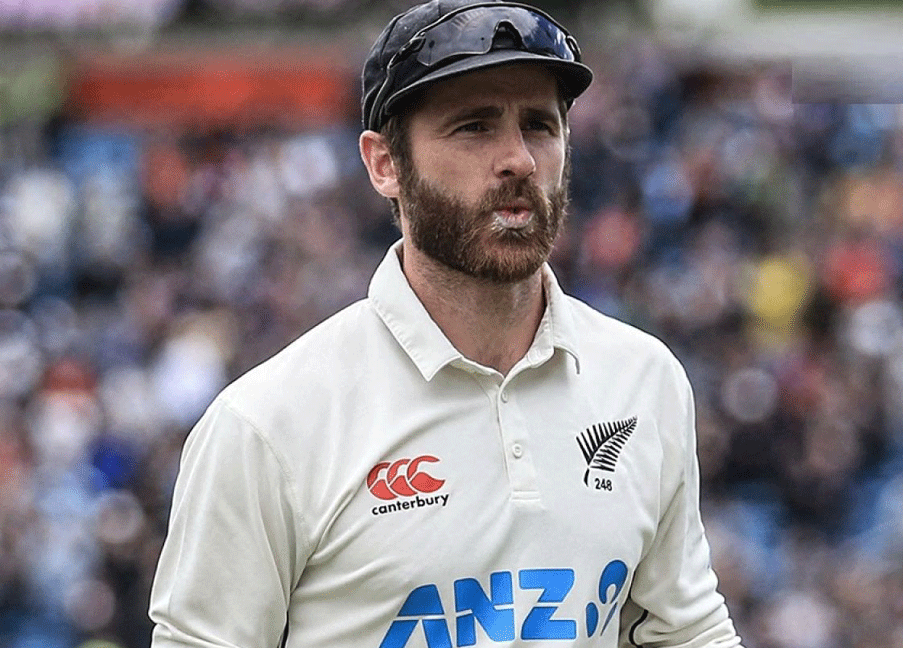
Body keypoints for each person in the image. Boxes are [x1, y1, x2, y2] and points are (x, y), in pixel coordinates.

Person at [148, 1, 744, 647]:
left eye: (540, 125)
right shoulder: (267, 426)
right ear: (385, 164)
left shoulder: (645, 380)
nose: (519, 159)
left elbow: (688, 631)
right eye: (473, 127)